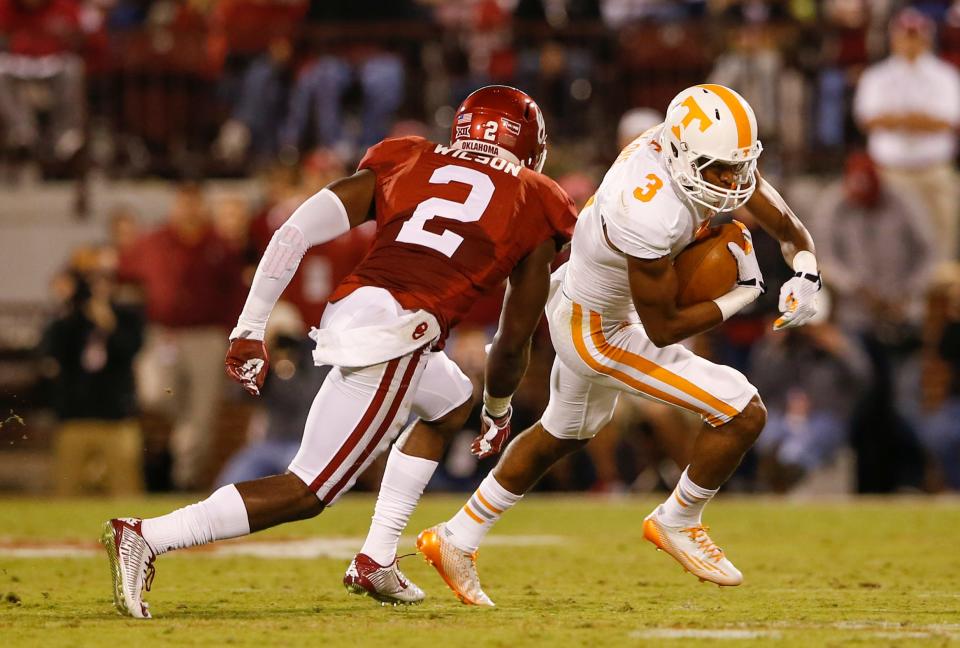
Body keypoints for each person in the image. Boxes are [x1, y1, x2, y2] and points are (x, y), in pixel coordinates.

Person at [100, 85, 578, 618]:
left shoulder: (412, 155)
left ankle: (375, 560)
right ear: (531, 143)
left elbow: (294, 231)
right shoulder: (538, 195)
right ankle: (147, 535)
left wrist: (249, 325)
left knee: (450, 402)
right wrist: (500, 408)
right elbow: (514, 338)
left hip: (357, 307)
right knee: (308, 491)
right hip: (400, 331)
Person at [416, 84, 823, 605]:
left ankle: (456, 536)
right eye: (720, 170)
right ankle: (678, 519)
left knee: (564, 431)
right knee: (743, 409)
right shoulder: (648, 208)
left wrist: (806, 272)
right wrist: (746, 292)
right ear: (679, 154)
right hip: (600, 329)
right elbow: (664, 329)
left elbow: (784, 224)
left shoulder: (697, 152)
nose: (732, 182)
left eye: (739, 167)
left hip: (593, 300)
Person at [854, 8, 960, 263]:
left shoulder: (945, 75)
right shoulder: (877, 76)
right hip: (891, 171)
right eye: (905, 35)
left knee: (941, 237)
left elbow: (947, 122)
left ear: (926, 38)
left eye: (915, 36)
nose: (910, 42)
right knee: (891, 239)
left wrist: (897, 119)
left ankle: (939, 294)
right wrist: (917, 119)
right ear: (894, 38)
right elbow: (868, 120)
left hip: (932, 171)